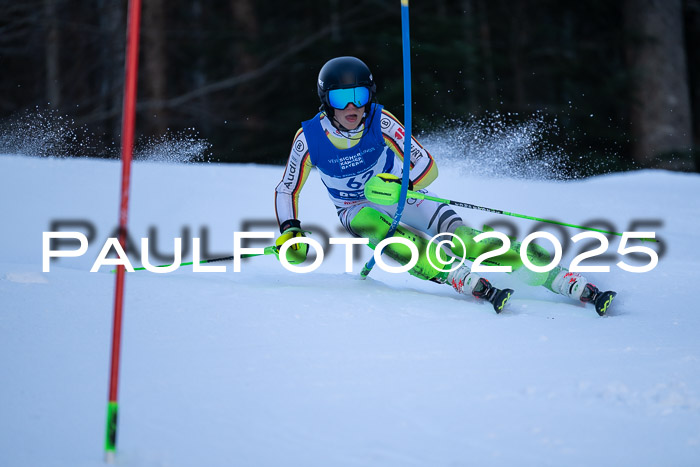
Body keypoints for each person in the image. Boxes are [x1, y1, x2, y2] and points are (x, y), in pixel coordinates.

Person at [274, 56, 616, 315]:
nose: (352, 107)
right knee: (374, 227)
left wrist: (400, 185)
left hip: (403, 194)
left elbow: (426, 166)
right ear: (325, 100)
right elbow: (287, 189)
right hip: (355, 207)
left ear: (370, 95)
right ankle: (451, 272)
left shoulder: (381, 119)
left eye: (359, 95)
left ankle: (558, 277)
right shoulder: (309, 139)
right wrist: (290, 231)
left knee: (466, 240)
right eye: (340, 98)